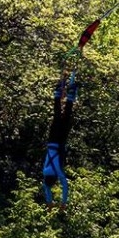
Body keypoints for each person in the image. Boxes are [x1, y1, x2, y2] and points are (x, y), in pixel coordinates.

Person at [42, 74, 78, 210]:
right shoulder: (45, 171)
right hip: (51, 140)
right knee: (57, 117)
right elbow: (46, 187)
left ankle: (70, 95)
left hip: (60, 142)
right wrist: (49, 202)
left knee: (66, 116)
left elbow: (65, 185)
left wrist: (63, 202)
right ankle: (57, 94)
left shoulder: (57, 171)